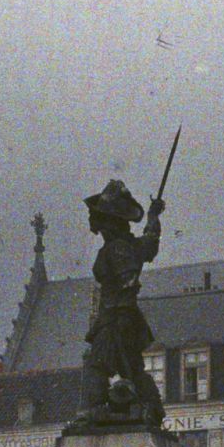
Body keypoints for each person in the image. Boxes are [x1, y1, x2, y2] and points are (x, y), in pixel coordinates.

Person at [75, 179, 166, 428]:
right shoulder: (129, 245)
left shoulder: (117, 248)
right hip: (124, 316)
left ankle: (90, 409)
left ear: (109, 221)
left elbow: (129, 281)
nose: (94, 222)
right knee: (132, 367)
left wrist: (122, 314)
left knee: (97, 364)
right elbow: (150, 242)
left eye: (98, 217)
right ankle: (153, 406)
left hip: (115, 316)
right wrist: (153, 216)